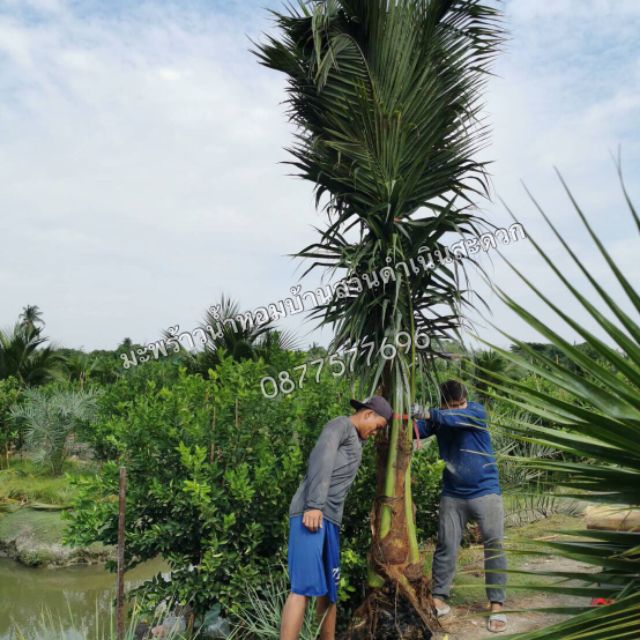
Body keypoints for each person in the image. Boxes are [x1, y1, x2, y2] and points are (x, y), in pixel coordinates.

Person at [281, 395, 393, 640]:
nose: (377, 432)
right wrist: (314, 505)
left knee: (329, 591)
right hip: (311, 514)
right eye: (379, 426)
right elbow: (323, 456)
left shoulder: (357, 439)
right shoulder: (340, 424)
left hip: (329, 520)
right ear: (367, 414)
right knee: (302, 589)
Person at [411, 379, 508, 633]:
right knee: (446, 545)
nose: (458, 409)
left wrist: (430, 413)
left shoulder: (475, 412)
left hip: (486, 491)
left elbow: (455, 419)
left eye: (460, 403)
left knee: (494, 544)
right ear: (443, 403)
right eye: (451, 406)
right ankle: (439, 598)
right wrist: (401, 415)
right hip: (452, 494)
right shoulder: (439, 418)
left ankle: (497, 604)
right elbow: (416, 430)